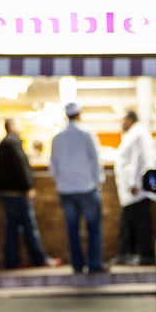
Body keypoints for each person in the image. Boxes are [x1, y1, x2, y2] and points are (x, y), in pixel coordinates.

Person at [0, 119, 60, 269]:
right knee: (29, 227)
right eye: (18, 124)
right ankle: (40, 259)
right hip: (17, 193)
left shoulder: (5, 142)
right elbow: (21, 167)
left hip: (6, 193)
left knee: (12, 228)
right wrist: (28, 187)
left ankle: (12, 261)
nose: (21, 127)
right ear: (11, 126)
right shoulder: (13, 142)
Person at [50, 103, 108, 274]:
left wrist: (59, 181)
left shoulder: (57, 136)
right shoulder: (86, 133)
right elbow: (96, 159)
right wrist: (98, 181)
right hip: (86, 187)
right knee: (94, 228)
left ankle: (77, 265)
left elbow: (52, 164)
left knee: (72, 229)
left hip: (66, 190)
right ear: (80, 114)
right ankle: (94, 263)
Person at [114, 110, 156, 265]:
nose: (122, 123)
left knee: (141, 224)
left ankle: (144, 255)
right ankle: (128, 253)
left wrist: (134, 183)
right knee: (130, 222)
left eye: (123, 120)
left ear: (130, 119)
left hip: (137, 188)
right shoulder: (135, 133)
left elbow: (138, 159)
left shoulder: (138, 133)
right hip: (133, 189)